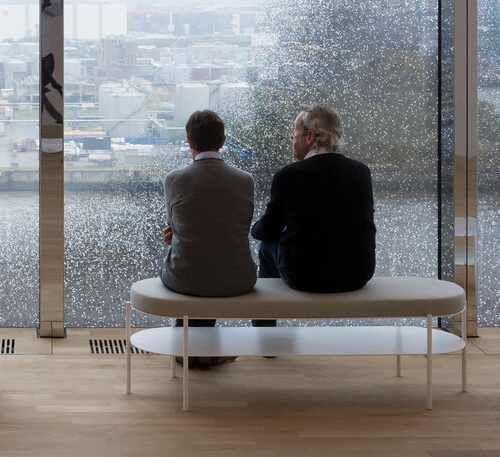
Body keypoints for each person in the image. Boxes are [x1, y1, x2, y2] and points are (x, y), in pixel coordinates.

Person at [249, 106, 375, 327]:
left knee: (266, 247)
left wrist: (254, 227)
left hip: (306, 277)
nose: (291, 137)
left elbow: (268, 231)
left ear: (310, 136)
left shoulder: (288, 175)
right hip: (358, 274)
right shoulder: (361, 172)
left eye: (295, 132)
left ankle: (265, 334)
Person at [159, 109, 257, 369]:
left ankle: (188, 350)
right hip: (237, 278)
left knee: (194, 268)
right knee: (216, 260)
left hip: (185, 277)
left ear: (189, 141)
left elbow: (176, 224)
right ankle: (201, 351)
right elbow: (236, 230)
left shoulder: (174, 180)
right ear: (223, 140)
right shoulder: (245, 180)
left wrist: (179, 236)